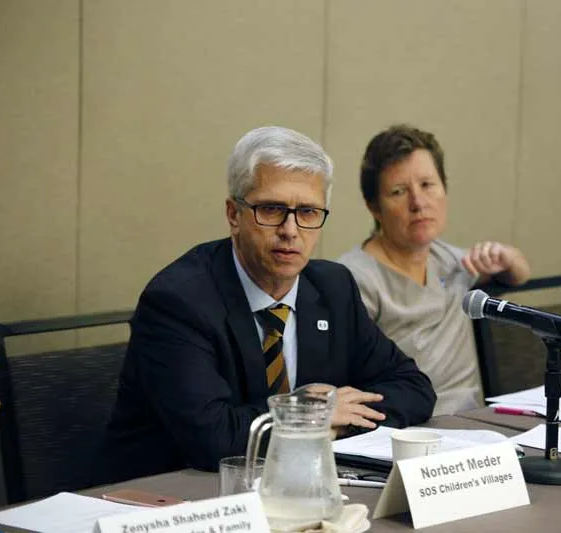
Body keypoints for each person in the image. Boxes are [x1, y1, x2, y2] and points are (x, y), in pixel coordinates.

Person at [97, 126, 436, 484]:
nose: (291, 230)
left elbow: (413, 388)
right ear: (233, 214)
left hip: (293, 491)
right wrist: (313, 416)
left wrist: (334, 424)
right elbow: (213, 438)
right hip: (166, 499)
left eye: (307, 211)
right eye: (272, 209)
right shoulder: (179, 301)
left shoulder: (332, 288)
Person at [338, 125, 530, 415]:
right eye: (399, 192)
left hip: (474, 423)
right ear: (374, 207)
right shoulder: (353, 279)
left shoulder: (451, 260)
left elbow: (519, 273)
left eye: (427, 185)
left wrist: (507, 256)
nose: (418, 203)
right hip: (404, 427)